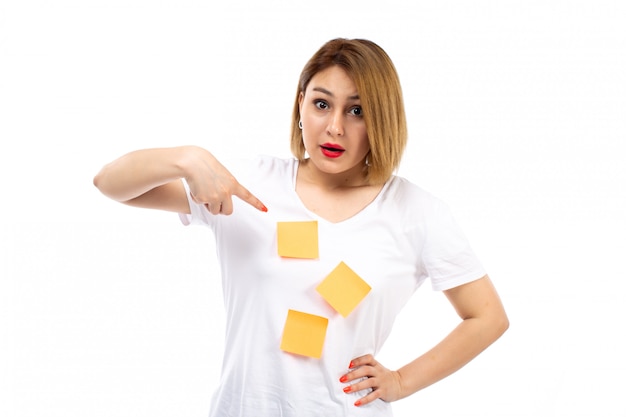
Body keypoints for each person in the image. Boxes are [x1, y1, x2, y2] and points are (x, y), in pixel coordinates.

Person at [93, 38, 509, 416]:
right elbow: (110, 184)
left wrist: (400, 382)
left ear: (383, 119)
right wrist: (187, 158)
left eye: (358, 111)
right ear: (300, 105)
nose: (335, 128)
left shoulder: (416, 212)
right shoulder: (246, 185)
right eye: (322, 104)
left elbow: (487, 317)